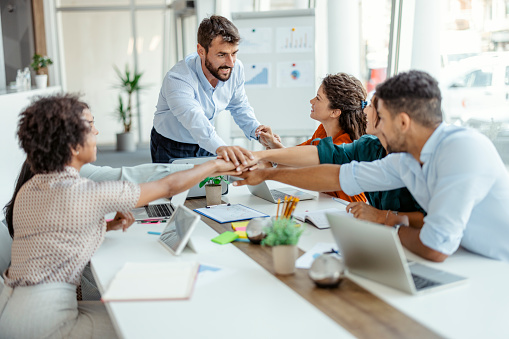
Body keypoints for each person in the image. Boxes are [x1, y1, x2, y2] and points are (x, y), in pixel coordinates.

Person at [0, 94, 237, 338]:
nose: (97, 133)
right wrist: (215, 165)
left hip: (10, 312)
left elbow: (53, 236)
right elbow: (167, 187)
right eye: (91, 127)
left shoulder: (29, 188)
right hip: (47, 325)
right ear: (73, 145)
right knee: (147, 324)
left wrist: (108, 226)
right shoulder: (82, 192)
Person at [232, 70, 509, 263]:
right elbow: (339, 175)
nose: (370, 121)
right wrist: (267, 173)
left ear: (402, 122)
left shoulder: (461, 150)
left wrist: (385, 224)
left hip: (495, 266)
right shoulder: (406, 158)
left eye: (382, 118)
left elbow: (435, 246)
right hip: (467, 257)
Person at [243, 95, 424, 228]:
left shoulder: (413, 160)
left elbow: (428, 220)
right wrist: (261, 156)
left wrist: (384, 216)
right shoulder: (368, 146)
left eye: (370, 106)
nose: (365, 110)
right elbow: (315, 155)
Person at [151, 15, 269, 165]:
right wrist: (222, 147)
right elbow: (194, 119)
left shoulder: (236, 68)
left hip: (208, 141)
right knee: (172, 188)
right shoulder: (178, 79)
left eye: (234, 53)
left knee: (210, 188)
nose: (231, 63)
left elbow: (239, 106)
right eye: (222, 55)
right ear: (201, 51)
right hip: (172, 144)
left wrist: (258, 131)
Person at [256, 73, 368, 203]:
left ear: (335, 112)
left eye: (318, 98)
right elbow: (297, 160)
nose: (311, 101)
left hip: (345, 210)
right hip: (325, 205)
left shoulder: (344, 145)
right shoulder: (322, 131)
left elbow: (305, 170)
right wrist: (273, 144)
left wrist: (265, 162)